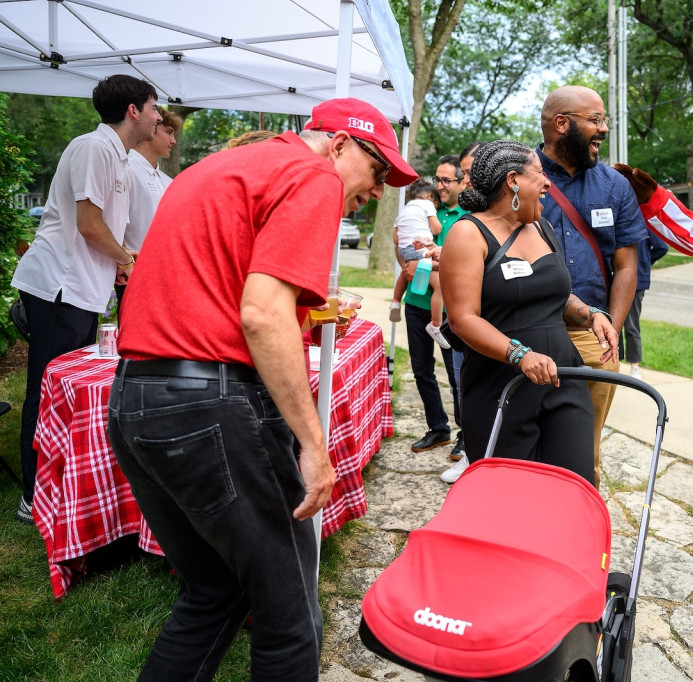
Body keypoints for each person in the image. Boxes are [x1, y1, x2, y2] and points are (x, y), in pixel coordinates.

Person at [106, 97, 416, 680]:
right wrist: (314, 444)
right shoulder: (313, 174)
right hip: (210, 403)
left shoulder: (222, 167)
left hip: (134, 399)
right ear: (340, 144)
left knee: (215, 590)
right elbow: (263, 315)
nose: (377, 191)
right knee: (290, 614)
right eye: (378, 172)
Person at [11, 74, 161, 525]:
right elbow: (90, 225)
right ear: (133, 110)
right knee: (48, 388)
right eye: (154, 107)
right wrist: (127, 261)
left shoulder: (121, 158)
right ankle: (32, 495)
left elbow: (104, 230)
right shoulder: (93, 147)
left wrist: (119, 259)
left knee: (68, 391)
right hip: (60, 287)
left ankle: (61, 485)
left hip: (82, 290)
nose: (158, 115)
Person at [439, 140, 617, 484]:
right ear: (513, 181)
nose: (548, 183)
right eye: (540, 174)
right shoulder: (467, 233)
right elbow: (463, 320)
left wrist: (591, 314)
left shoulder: (542, 228)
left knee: (573, 484)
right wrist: (520, 355)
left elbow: (555, 294)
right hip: (501, 387)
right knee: (511, 495)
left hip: (564, 378)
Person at [536, 85, 647, 486]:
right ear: (562, 124)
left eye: (604, 119)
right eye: (595, 120)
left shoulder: (615, 186)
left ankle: (578, 517)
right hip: (527, 330)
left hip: (592, 336)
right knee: (528, 435)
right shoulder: (519, 175)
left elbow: (627, 264)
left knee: (584, 445)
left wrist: (612, 331)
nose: (603, 129)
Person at [400, 155, 467, 455]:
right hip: (415, 302)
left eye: (445, 180)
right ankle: (437, 428)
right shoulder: (420, 211)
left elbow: (464, 264)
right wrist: (407, 263)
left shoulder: (467, 217)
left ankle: (466, 434)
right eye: (437, 179)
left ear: (460, 181)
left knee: (457, 376)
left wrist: (426, 265)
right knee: (421, 370)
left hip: (449, 308)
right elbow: (401, 245)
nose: (439, 185)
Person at [439, 141, 485, 481]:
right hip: (461, 320)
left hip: (490, 322)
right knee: (462, 385)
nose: (466, 180)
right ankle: (469, 451)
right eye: (464, 173)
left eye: (470, 173)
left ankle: (484, 455)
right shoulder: (461, 216)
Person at [116, 106, 183, 316]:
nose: (173, 141)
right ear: (152, 128)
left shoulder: (169, 181)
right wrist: (124, 263)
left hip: (168, 279)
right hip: (135, 278)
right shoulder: (125, 170)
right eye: (169, 132)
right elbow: (113, 225)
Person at [390, 180, 446, 343]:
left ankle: (395, 301)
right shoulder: (426, 204)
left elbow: (396, 238)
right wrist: (432, 221)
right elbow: (436, 229)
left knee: (405, 271)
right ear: (429, 197)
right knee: (440, 287)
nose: (435, 208)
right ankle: (435, 325)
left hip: (404, 250)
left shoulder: (404, 210)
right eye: (436, 204)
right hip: (419, 248)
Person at [620, 227, 668, 379]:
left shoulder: (643, 222)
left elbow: (661, 247)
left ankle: (634, 366)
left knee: (630, 325)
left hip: (636, 280)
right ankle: (614, 362)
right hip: (615, 278)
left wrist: (646, 261)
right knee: (613, 323)